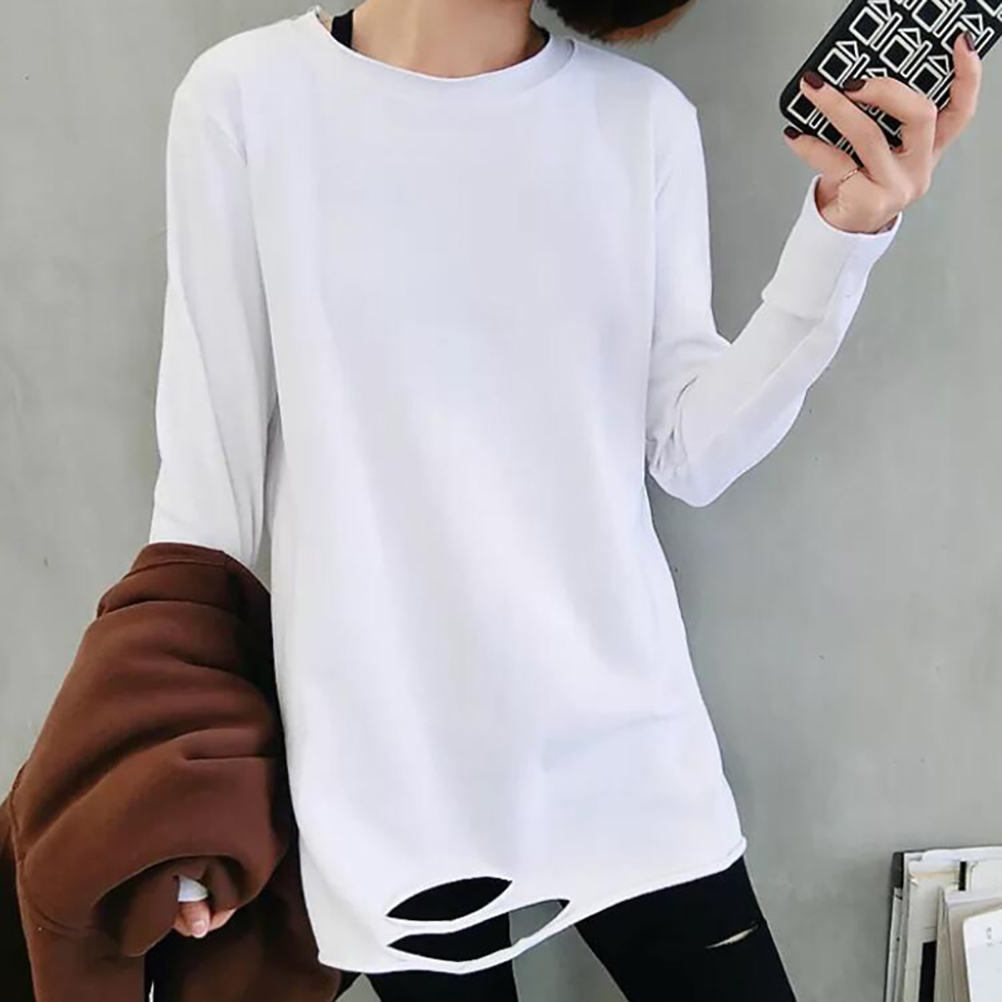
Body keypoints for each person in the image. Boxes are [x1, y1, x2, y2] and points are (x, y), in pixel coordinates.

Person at [150, 1, 981, 998]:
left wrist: (843, 235)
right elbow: (209, 486)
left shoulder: (639, 120)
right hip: (389, 775)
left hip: (626, 750)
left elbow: (692, 453)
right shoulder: (246, 99)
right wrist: (183, 783)